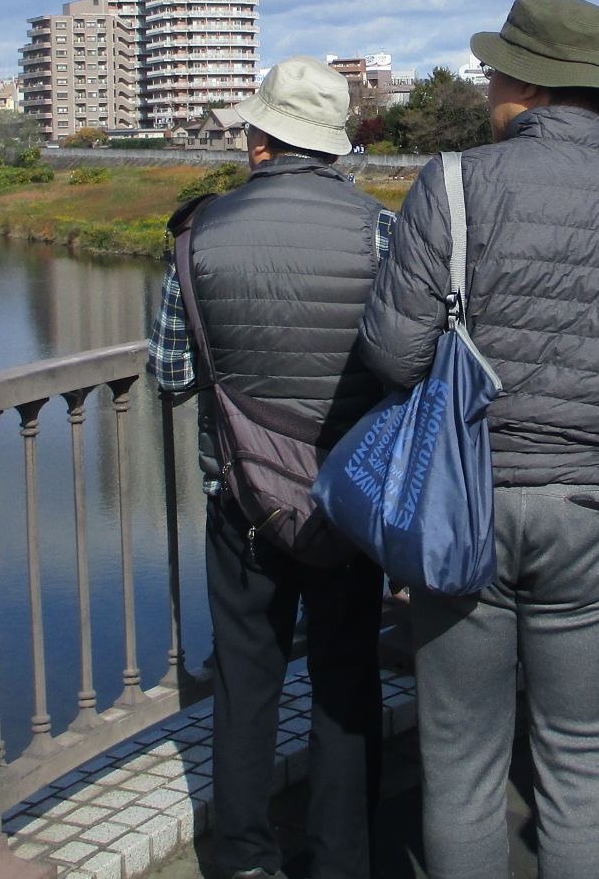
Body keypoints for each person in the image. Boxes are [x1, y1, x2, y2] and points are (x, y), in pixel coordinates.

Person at [359, 0, 599, 879]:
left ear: (525, 84)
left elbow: (393, 357)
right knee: (584, 757)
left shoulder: (452, 183)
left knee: (465, 763)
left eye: (494, 70)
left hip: (469, 502)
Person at [147, 57, 392, 879]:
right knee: (345, 680)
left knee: (247, 685)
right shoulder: (380, 232)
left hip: (243, 498)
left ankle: (246, 858)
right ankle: (341, 859)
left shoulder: (198, 235)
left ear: (260, 139)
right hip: (350, 502)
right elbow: (407, 366)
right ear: (331, 147)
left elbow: (171, 375)